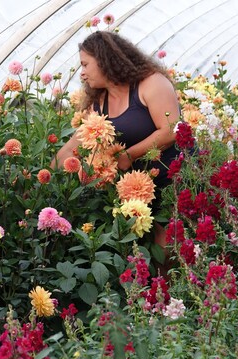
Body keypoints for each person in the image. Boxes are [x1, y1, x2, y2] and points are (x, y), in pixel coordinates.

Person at [53, 31, 181, 270]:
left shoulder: (150, 83)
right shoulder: (99, 103)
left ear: (105, 60)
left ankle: (171, 299)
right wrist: (44, 180)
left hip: (173, 175)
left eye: (85, 64)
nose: (81, 73)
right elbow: (74, 145)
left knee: (167, 247)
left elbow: (171, 130)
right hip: (137, 188)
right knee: (143, 253)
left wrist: (128, 155)